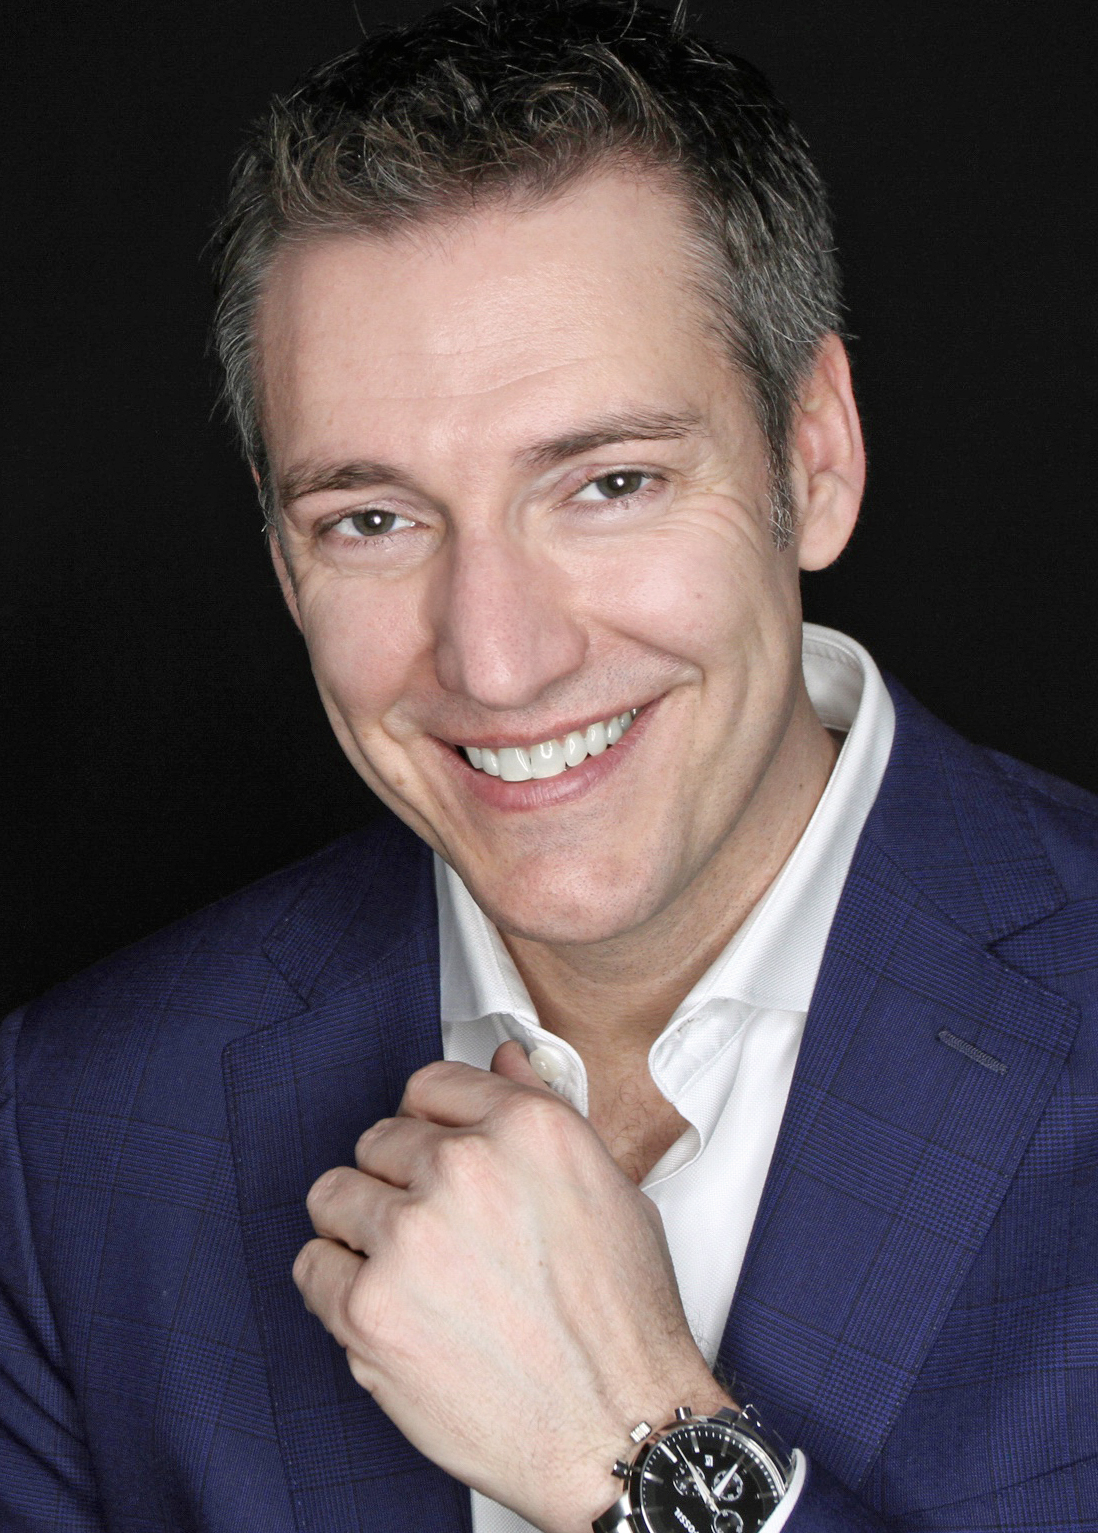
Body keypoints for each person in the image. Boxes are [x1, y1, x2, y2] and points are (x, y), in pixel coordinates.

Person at [2, 2, 1095, 1530]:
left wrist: (635, 1450)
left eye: (608, 482)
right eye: (371, 519)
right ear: (280, 549)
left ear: (814, 455)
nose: (497, 659)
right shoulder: (75, 1134)